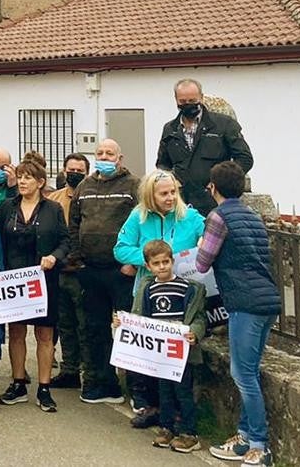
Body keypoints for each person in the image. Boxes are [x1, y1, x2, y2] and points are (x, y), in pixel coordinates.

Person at [196, 161, 281, 466]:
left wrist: (199, 244)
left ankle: (259, 444)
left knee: (242, 373)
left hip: (244, 302)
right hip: (267, 299)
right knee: (250, 370)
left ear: (213, 188)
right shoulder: (251, 215)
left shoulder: (218, 217)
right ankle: (245, 436)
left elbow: (203, 262)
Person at [111, 169, 205, 427]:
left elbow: (208, 237)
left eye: (173, 192)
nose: (170, 197)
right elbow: (120, 249)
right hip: (147, 291)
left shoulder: (190, 216)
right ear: (150, 195)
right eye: (164, 193)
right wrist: (150, 260)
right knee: (149, 355)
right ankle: (150, 406)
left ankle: (177, 412)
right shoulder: (138, 217)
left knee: (177, 357)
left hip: (181, 294)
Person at [116, 240, 206, 454]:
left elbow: (200, 318)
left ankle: (189, 433)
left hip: (181, 351)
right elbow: (140, 318)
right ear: (148, 267)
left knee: (183, 392)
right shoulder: (149, 289)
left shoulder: (188, 288)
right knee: (163, 391)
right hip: (160, 353)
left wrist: (195, 332)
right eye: (156, 263)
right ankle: (167, 428)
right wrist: (122, 322)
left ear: (173, 261)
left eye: (166, 261)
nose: (162, 266)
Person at [0, 160, 68, 413]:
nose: (23, 181)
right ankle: (18, 383)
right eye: (20, 177)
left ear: (40, 182)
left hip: (43, 280)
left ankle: (44, 388)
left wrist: (54, 256)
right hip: (13, 281)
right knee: (16, 332)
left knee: (45, 335)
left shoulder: (53, 209)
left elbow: (65, 241)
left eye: (28, 177)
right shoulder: (6, 207)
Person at [68, 138, 138, 406]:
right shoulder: (84, 187)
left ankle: (135, 389)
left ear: (120, 158)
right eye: (100, 153)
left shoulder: (134, 186)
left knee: (128, 329)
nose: (105, 157)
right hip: (91, 270)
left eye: (110, 153)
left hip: (122, 271)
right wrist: (79, 259)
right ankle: (102, 384)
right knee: (95, 329)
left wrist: (132, 263)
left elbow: (143, 222)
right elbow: (74, 224)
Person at [155, 78, 254, 216]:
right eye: (183, 102)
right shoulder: (170, 129)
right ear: (176, 100)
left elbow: (245, 159)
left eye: (192, 101)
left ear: (201, 98)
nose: (187, 105)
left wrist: (222, 182)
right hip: (180, 204)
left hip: (215, 203)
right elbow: (162, 164)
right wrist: (170, 181)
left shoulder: (224, 125)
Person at [48, 153, 90, 389]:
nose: (74, 173)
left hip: (83, 271)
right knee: (64, 323)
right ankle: (70, 370)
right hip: (59, 270)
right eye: (70, 169)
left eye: (79, 170)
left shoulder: (91, 195)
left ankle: (89, 372)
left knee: (84, 324)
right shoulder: (54, 199)